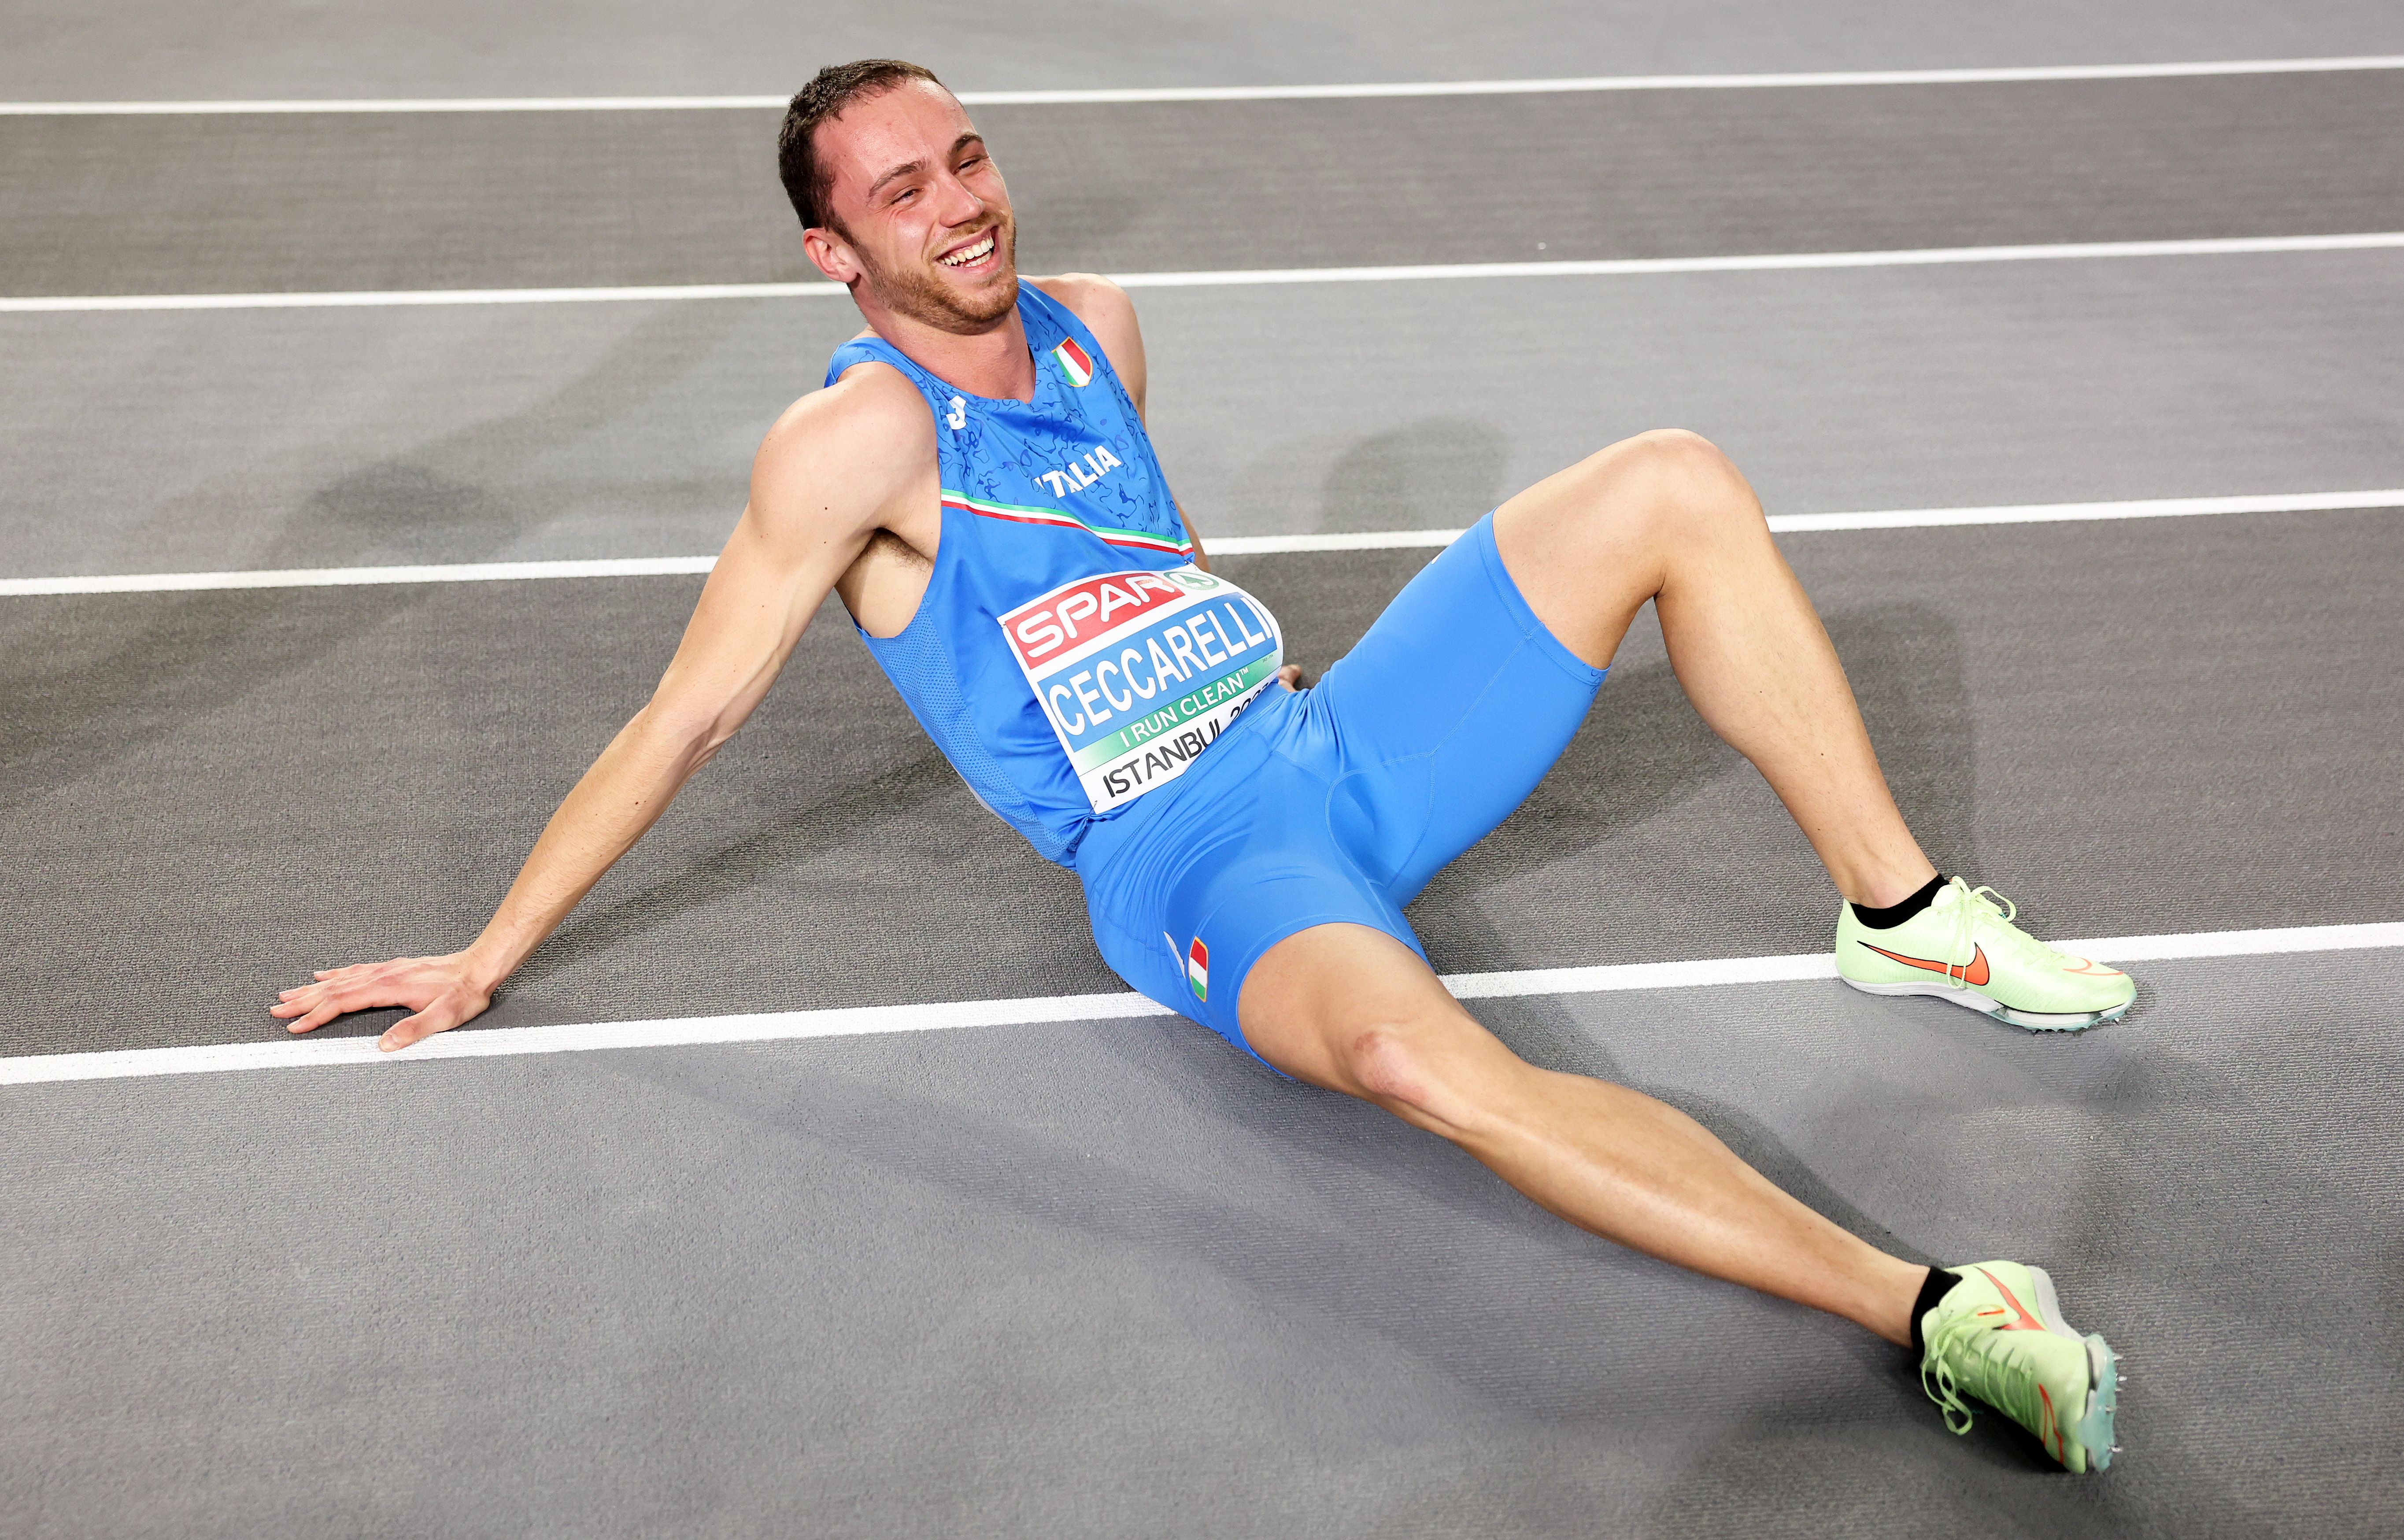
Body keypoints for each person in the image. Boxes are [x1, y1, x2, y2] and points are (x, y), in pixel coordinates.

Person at [273, 59, 2131, 1471]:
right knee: (1424, 1059)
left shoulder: (1099, 321)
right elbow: (684, 714)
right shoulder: (844, 450)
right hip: (1196, 867)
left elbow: (1138, 553)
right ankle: (1944, 1308)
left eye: (970, 157)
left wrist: (1236, 645)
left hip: (1325, 743)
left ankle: (1904, 912)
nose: (962, 207)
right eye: (904, 193)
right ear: (835, 252)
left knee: (1669, 480)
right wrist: (484, 950)